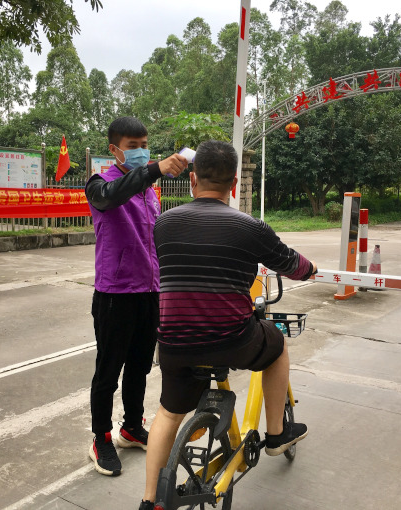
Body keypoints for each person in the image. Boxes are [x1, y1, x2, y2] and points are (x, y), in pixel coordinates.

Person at [138, 140, 317, 509]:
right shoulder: (250, 227)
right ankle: (276, 434)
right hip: (232, 339)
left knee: (169, 413)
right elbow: (292, 265)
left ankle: (149, 499)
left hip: (174, 342)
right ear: (234, 184)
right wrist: (311, 268)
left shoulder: (164, 223)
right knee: (277, 345)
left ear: (192, 179)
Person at [85, 116, 188, 477]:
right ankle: (101, 438)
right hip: (115, 293)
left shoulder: (150, 192)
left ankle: (131, 426)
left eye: (145, 145)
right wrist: (155, 169)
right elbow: (114, 195)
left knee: (141, 366)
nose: (141, 152)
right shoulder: (99, 185)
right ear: (114, 150)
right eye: (133, 146)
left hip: (150, 292)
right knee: (108, 371)